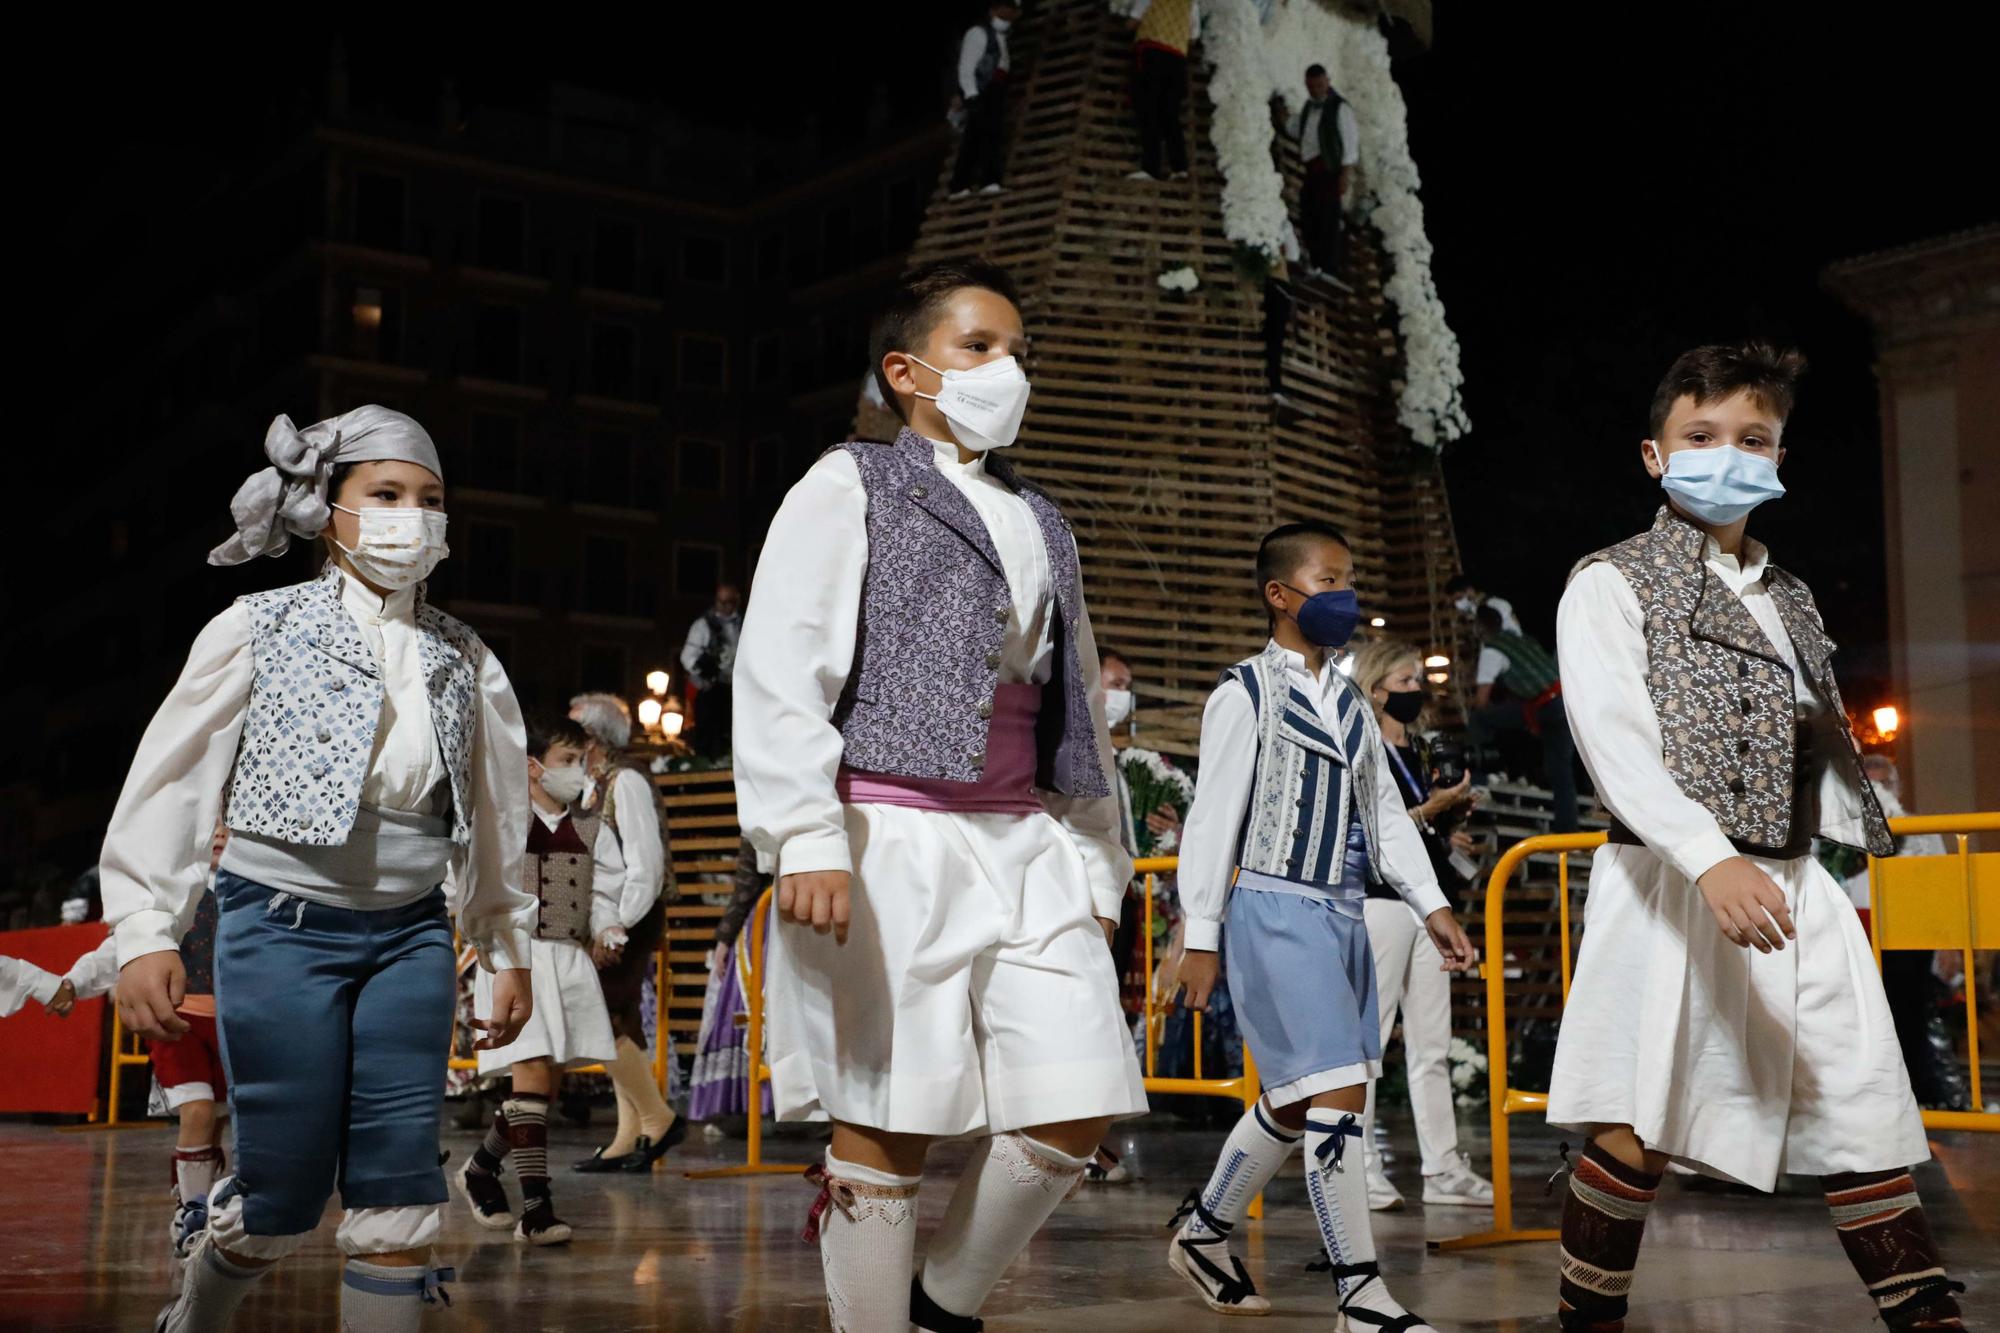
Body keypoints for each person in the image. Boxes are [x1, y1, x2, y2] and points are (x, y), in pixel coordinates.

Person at [734, 258, 1147, 1331]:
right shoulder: (849, 482)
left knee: (1075, 1102)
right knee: (892, 1113)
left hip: (1023, 836)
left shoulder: (1041, 515)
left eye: (1017, 352)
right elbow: (783, 666)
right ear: (906, 370)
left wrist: (1098, 858)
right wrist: (804, 836)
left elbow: (1077, 701)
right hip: (888, 832)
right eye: (978, 347)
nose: (1005, 369)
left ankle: (940, 1301)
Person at [1545, 342, 1965, 1331]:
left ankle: (1927, 1320)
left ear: (1776, 461)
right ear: (1654, 455)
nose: (1725, 454)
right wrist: (1710, 857)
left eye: (1750, 439)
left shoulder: (1789, 596)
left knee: (1860, 1107)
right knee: (1638, 1121)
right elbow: (1614, 742)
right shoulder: (1610, 580)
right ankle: (1585, 1320)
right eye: (1699, 436)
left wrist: (1857, 839)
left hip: (1796, 885)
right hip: (1669, 880)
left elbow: (1816, 739)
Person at [105, 405, 536, 1332]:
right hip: (279, 928)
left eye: (430, 498)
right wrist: (145, 928)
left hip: (413, 937)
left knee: (396, 1183)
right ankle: (200, 1312)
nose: (411, 515)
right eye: (385, 493)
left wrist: (504, 945)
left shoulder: (467, 657)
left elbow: (495, 813)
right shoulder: (255, 626)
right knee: (281, 1194)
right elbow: (172, 783)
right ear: (326, 507)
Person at [1168, 521, 1476, 1328]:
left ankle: (1203, 1231)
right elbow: (1211, 818)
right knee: (1341, 1090)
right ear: (1280, 594)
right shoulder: (1243, 692)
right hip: (1273, 906)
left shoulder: (1347, 699)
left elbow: (1381, 811)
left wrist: (1430, 902)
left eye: (1349, 580)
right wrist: (1199, 932)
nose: (1345, 596)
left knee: (1302, 1097)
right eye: (1328, 580)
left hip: (1342, 910)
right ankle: (1360, 1292)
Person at [457, 715, 620, 1245]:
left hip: (567, 957)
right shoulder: (503, 822)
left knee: (542, 1087)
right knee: (528, 1075)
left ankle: (481, 1170)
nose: (578, 772)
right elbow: (467, 881)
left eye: (582, 761)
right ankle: (537, 1208)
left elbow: (605, 888)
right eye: (566, 761)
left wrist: (606, 925)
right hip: (515, 956)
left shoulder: (592, 827)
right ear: (533, 766)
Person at [1348, 640, 1493, 1213]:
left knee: (1433, 1044)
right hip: (1378, 900)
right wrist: (1429, 813)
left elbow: (1417, 832)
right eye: (1404, 681)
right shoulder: (1362, 745)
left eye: (1418, 680)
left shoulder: (1426, 749)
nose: (1416, 690)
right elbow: (1368, 828)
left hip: (1429, 902)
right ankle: (1359, 1166)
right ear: (1377, 687)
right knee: (1370, 1041)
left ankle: (1443, 1168)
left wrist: (1448, 826)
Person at [566, 692, 684, 1173]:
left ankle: (659, 1118)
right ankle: (627, 1133)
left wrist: (615, 930)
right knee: (620, 1021)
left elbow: (645, 866)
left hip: (631, 916)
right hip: (608, 917)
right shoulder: (594, 785)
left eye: (575, 732)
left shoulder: (627, 781)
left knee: (602, 1016)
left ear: (594, 737)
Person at [1468, 606, 1579, 831]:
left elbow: (1481, 701)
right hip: (1565, 702)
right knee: (1560, 771)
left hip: (1545, 706)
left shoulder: (1491, 651)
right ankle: (1566, 830)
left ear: (1480, 628)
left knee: (1479, 717)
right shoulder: (1524, 640)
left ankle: (1484, 773)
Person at [1286, 64, 1359, 282]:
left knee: (1328, 218)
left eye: (1319, 85)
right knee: (1310, 215)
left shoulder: (1340, 108)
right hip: (1312, 172)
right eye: (1311, 86)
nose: (1316, 89)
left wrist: (1345, 174)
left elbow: (1350, 142)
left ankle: (1328, 268)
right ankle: (1316, 264)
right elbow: (1296, 128)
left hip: (1329, 171)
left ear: (1327, 82)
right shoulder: (1309, 107)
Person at [1122, 0, 1202, 182]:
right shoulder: (1191, 3)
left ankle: (1151, 167)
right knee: (1170, 114)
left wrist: (1125, 27)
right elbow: (1193, 36)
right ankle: (1179, 168)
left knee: (1148, 109)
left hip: (1152, 54)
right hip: (1177, 59)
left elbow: (1133, 20)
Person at [948, 3, 1020, 198]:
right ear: (992, 11)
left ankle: (963, 184)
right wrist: (971, 94)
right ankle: (983, 181)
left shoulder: (1001, 36)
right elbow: (966, 67)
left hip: (996, 89)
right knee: (985, 135)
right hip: (983, 91)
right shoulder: (978, 33)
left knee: (981, 135)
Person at [679, 585, 742, 759]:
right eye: (720, 602)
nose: (724, 606)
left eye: (729, 602)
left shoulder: (742, 624)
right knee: (709, 736)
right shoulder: (703, 625)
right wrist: (703, 669)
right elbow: (687, 657)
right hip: (711, 690)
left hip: (735, 690)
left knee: (732, 735)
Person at [1444, 574, 1522, 634]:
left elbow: (1513, 629)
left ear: (1469, 590)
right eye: (1455, 602)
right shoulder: (1475, 610)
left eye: (1459, 598)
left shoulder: (1496, 604)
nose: (1458, 604)